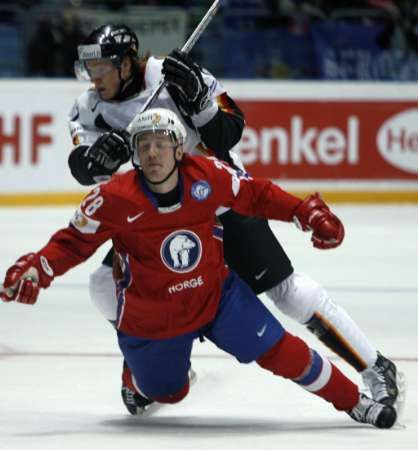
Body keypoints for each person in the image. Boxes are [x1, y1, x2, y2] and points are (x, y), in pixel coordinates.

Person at [68, 24, 404, 415]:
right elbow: (81, 166)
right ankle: (152, 360)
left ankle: (374, 365)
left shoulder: (175, 74)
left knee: (289, 292)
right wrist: (98, 162)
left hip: (220, 203)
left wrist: (200, 103)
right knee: (102, 287)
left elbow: (230, 130)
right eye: (89, 70)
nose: (95, 78)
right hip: (162, 220)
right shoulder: (88, 107)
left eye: (103, 68)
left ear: (127, 63)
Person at [0, 108, 397, 429]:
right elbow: (71, 243)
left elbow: (255, 195)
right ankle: (137, 374)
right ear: (135, 154)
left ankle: (355, 403)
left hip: (216, 298)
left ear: (179, 150)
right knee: (168, 393)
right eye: (144, 146)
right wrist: (37, 268)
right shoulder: (111, 200)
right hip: (152, 319)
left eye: (162, 144)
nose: (153, 154)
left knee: (283, 351)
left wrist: (301, 212)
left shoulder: (208, 175)